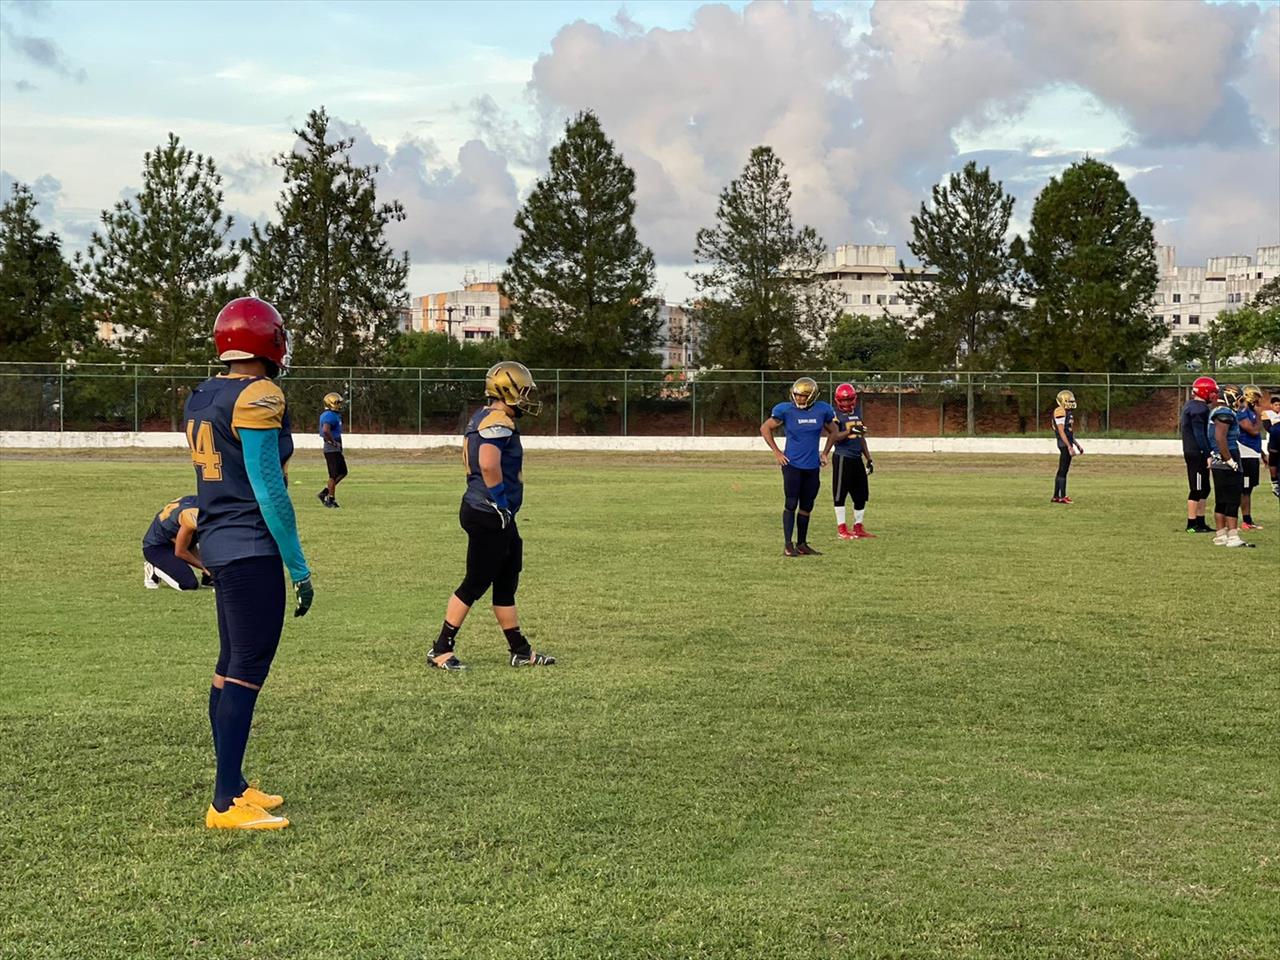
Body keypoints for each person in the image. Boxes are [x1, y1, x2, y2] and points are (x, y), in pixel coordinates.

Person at [184, 296, 314, 830]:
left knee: (228, 667)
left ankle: (233, 783)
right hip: (249, 546)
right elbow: (268, 489)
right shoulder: (260, 394)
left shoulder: (206, 393)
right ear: (269, 340)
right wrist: (299, 565)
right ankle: (222, 803)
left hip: (218, 540)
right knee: (245, 672)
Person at [427, 361, 555, 671]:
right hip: (488, 512)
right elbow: (487, 463)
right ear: (507, 391)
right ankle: (441, 648)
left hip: (493, 513)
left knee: (506, 579)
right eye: (522, 391)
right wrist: (500, 503)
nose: (526, 398)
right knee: (475, 582)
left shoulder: (486, 416)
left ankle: (520, 651)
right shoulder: (499, 421)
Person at [760, 377, 837, 556]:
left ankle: (802, 544)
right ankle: (788, 544)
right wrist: (777, 452)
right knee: (791, 503)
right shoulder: (785, 410)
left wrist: (825, 452)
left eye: (803, 396)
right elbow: (765, 428)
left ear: (811, 396)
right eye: (797, 395)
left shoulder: (822, 410)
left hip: (812, 465)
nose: (799, 399)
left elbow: (833, 431)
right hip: (792, 464)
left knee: (807, 505)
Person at [823, 382, 876, 540]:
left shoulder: (858, 412)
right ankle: (841, 529)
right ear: (837, 400)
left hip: (856, 458)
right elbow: (834, 436)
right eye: (843, 400)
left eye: (849, 400)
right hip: (842, 457)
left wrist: (869, 457)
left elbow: (861, 438)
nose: (846, 403)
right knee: (840, 494)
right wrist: (849, 431)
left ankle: (858, 527)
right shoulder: (834, 415)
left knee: (861, 494)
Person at [1206, 384, 1249, 548]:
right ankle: (1232, 535)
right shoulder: (1224, 413)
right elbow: (1220, 437)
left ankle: (1221, 535)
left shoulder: (1216, 411)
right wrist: (1229, 459)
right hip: (1226, 455)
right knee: (1232, 498)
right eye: (1238, 399)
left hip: (1218, 458)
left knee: (1222, 499)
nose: (1240, 403)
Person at [142, 494, 212, 591]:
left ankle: (208, 579)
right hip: (158, 547)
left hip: (179, 541)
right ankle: (154, 568)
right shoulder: (190, 515)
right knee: (188, 584)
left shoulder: (202, 504)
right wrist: (204, 567)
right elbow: (181, 551)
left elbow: (190, 542)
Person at [1179, 376, 1217, 533]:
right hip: (1197, 451)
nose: (1214, 396)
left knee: (1205, 488)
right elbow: (1199, 434)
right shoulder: (1198, 409)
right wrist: (1207, 452)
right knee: (1197, 487)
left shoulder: (1193, 405)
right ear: (1205, 391)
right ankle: (1191, 523)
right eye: (1213, 392)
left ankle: (1200, 522)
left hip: (1195, 450)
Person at [1236, 385, 1265, 530]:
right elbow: (1253, 431)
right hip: (1245, 454)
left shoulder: (1251, 411)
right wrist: (1259, 416)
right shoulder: (1243, 411)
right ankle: (1245, 520)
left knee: (1249, 488)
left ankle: (1248, 520)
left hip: (1252, 453)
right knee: (1245, 489)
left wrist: (1262, 454)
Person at [1051, 390, 1084, 504]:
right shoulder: (1060, 411)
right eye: (1069, 400)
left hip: (1066, 442)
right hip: (1063, 443)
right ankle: (1062, 496)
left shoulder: (1068, 412)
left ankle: (1056, 496)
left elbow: (1069, 432)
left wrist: (1077, 445)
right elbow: (1061, 431)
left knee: (1062, 470)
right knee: (1063, 471)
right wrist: (1069, 446)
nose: (1071, 402)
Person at [317, 392, 348, 509]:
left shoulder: (334, 415)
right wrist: (333, 442)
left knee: (343, 472)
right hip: (331, 449)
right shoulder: (329, 415)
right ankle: (330, 498)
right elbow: (325, 430)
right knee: (333, 474)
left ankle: (325, 492)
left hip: (335, 448)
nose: (339, 405)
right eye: (337, 403)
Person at [1266, 393, 1280, 498]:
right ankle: (1274, 482)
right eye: (1276, 404)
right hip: (1273, 440)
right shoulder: (1267, 413)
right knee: (1273, 459)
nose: (1278, 406)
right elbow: (1269, 428)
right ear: (1271, 405)